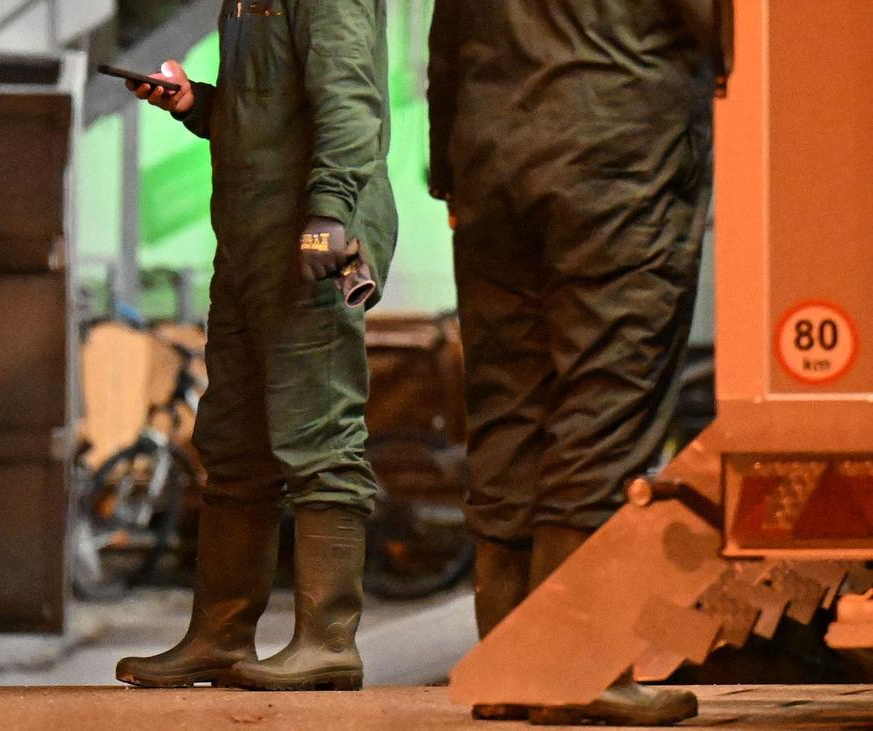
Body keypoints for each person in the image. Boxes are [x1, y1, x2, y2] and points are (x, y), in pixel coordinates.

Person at [428, 0, 731, 724]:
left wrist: (449, 168)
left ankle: (509, 668)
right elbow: (718, 33)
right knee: (607, 397)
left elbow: (446, 42)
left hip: (490, 160)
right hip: (617, 154)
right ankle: (576, 669)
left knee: (507, 404)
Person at [114, 0, 397, 692]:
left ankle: (328, 641)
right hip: (247, 238)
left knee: (320, 436)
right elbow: (266, 117)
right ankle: (219, 636)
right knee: (233, 443)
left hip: (307, 241)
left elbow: (350, 102)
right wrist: (196, 104)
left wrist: (328, 213)